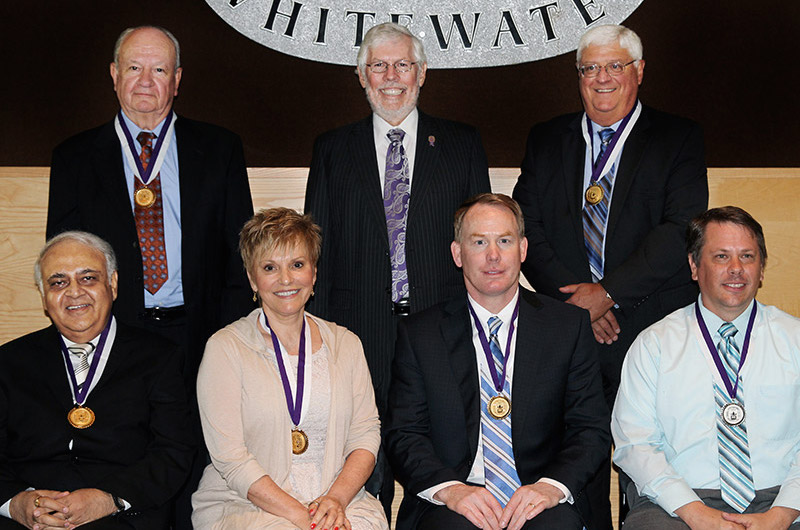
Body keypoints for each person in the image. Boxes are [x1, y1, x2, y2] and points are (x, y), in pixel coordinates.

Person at [45, 25, 254, 528]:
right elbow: (62, 260)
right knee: (129, 459)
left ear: (177, 80)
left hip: (198, 333)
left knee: (196, 459)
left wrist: (226, 339)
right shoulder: (73, 157)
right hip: (116, 338)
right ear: (114, 75)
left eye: (159, 69)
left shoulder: (220, 148)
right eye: (134, 68)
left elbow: (238, 257)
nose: (146, 80)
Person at [511, 23, 708, 527]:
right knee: (579, 458)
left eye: (614, 65)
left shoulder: (678, 137)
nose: (602, 78)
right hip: (567, 326)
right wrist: (582, 303)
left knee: (652, 463)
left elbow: (679, 228)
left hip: (649, 326)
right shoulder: (546, 137)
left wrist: (609, 294)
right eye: (589, 68)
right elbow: (525, 224)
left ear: (638, 71)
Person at [304, 22, 491, 513]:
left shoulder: (461, 143)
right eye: (378, 66)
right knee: (364, 453)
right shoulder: (331, 148)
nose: (391, 77)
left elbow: (478, 240)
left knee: (437, 448)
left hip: (439, 322)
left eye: (402, 65)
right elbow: (315, 248)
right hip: (356, 327)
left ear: (422, 73)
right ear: (361, 76)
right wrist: (317, 332)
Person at [384, 193, 610, 530]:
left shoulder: (567, 327)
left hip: (540, 496)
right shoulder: (420, 334)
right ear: (458, 254)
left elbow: (590, 429)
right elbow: (404, 434)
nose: (493, 256)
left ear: (522, 249)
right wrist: (451, 491)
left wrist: (552, 487)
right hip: (457, 501)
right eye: (479, 242)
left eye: (504, 241)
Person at [191, 208, 387, 530]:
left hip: (339, 502)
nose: (286, 279)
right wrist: (304, 520)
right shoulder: (225, 349)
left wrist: (336, 500)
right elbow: (230, 458)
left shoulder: (347, 344)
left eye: (297, 265)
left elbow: (365, 433)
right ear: (253, 278)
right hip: (248, 506)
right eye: (270, 267)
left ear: (313, 272)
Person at [612, 206, 800, 529]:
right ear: (694, 266)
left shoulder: (795, 339)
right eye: (721, 257)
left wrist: (781, 515)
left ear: (762, 268)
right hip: (681, 501)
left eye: (748, 257)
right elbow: (635, 443)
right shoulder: (654, 345)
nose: (737, 269)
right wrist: (696, 513)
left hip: (783, 496)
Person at [0, 231, 194, 530]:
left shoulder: (160, 358)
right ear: (43, 295)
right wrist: (17, 503)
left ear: (112, 284)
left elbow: (173, 452)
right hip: (29, 520)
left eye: (88, 278)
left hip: (122, 514)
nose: (74, 292)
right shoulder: (9, 362)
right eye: (58, 282)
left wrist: (108, 499)